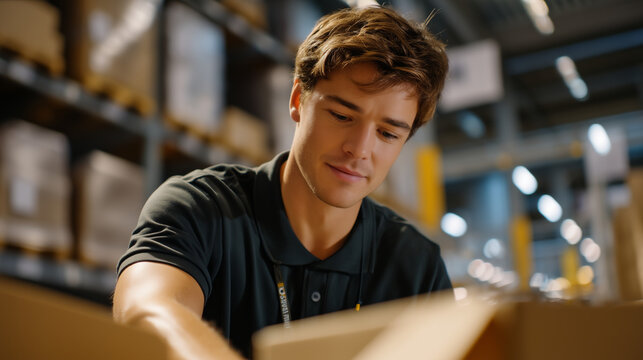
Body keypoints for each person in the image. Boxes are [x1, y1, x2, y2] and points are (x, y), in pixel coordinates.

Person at [113, 5, 451, 360]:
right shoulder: (198, 208)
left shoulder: (418, 269)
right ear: (296, 100)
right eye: (341, 115)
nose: (359, 150)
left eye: (386, 133)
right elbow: (147, 311)